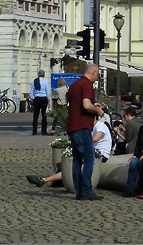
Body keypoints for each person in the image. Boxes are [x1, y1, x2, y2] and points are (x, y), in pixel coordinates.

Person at [27, 106, 112, 188]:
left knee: (73, 167)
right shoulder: (90, 128)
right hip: (91, 153)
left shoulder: (100, 126)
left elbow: (95, 139)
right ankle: (55, 181)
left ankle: (43, 180)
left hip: (100, 155)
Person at [65, 63, 104, 201]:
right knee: (88, 158)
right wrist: (98, 110)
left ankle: (78, 191)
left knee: (77, 160)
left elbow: (77, 104)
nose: (97, 76)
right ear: (93, 72)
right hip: (82, 127)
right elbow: (86, 105)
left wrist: (94, 105)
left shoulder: (75, 85)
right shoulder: (86, 85)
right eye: (97, 74)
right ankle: (86, 190)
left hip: (72, 126)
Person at [29, 69, 51, 136]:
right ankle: (44, 131)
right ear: (44, 75)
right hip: (43, 98)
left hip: (36, 98)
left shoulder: (34, 81)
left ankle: (34, 131)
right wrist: (48, 101)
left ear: (38, 74)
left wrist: (31, 98)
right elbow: (47, 92)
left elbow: (31, 91)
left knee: (35, 116)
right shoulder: (45, 82)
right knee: (44, 116)